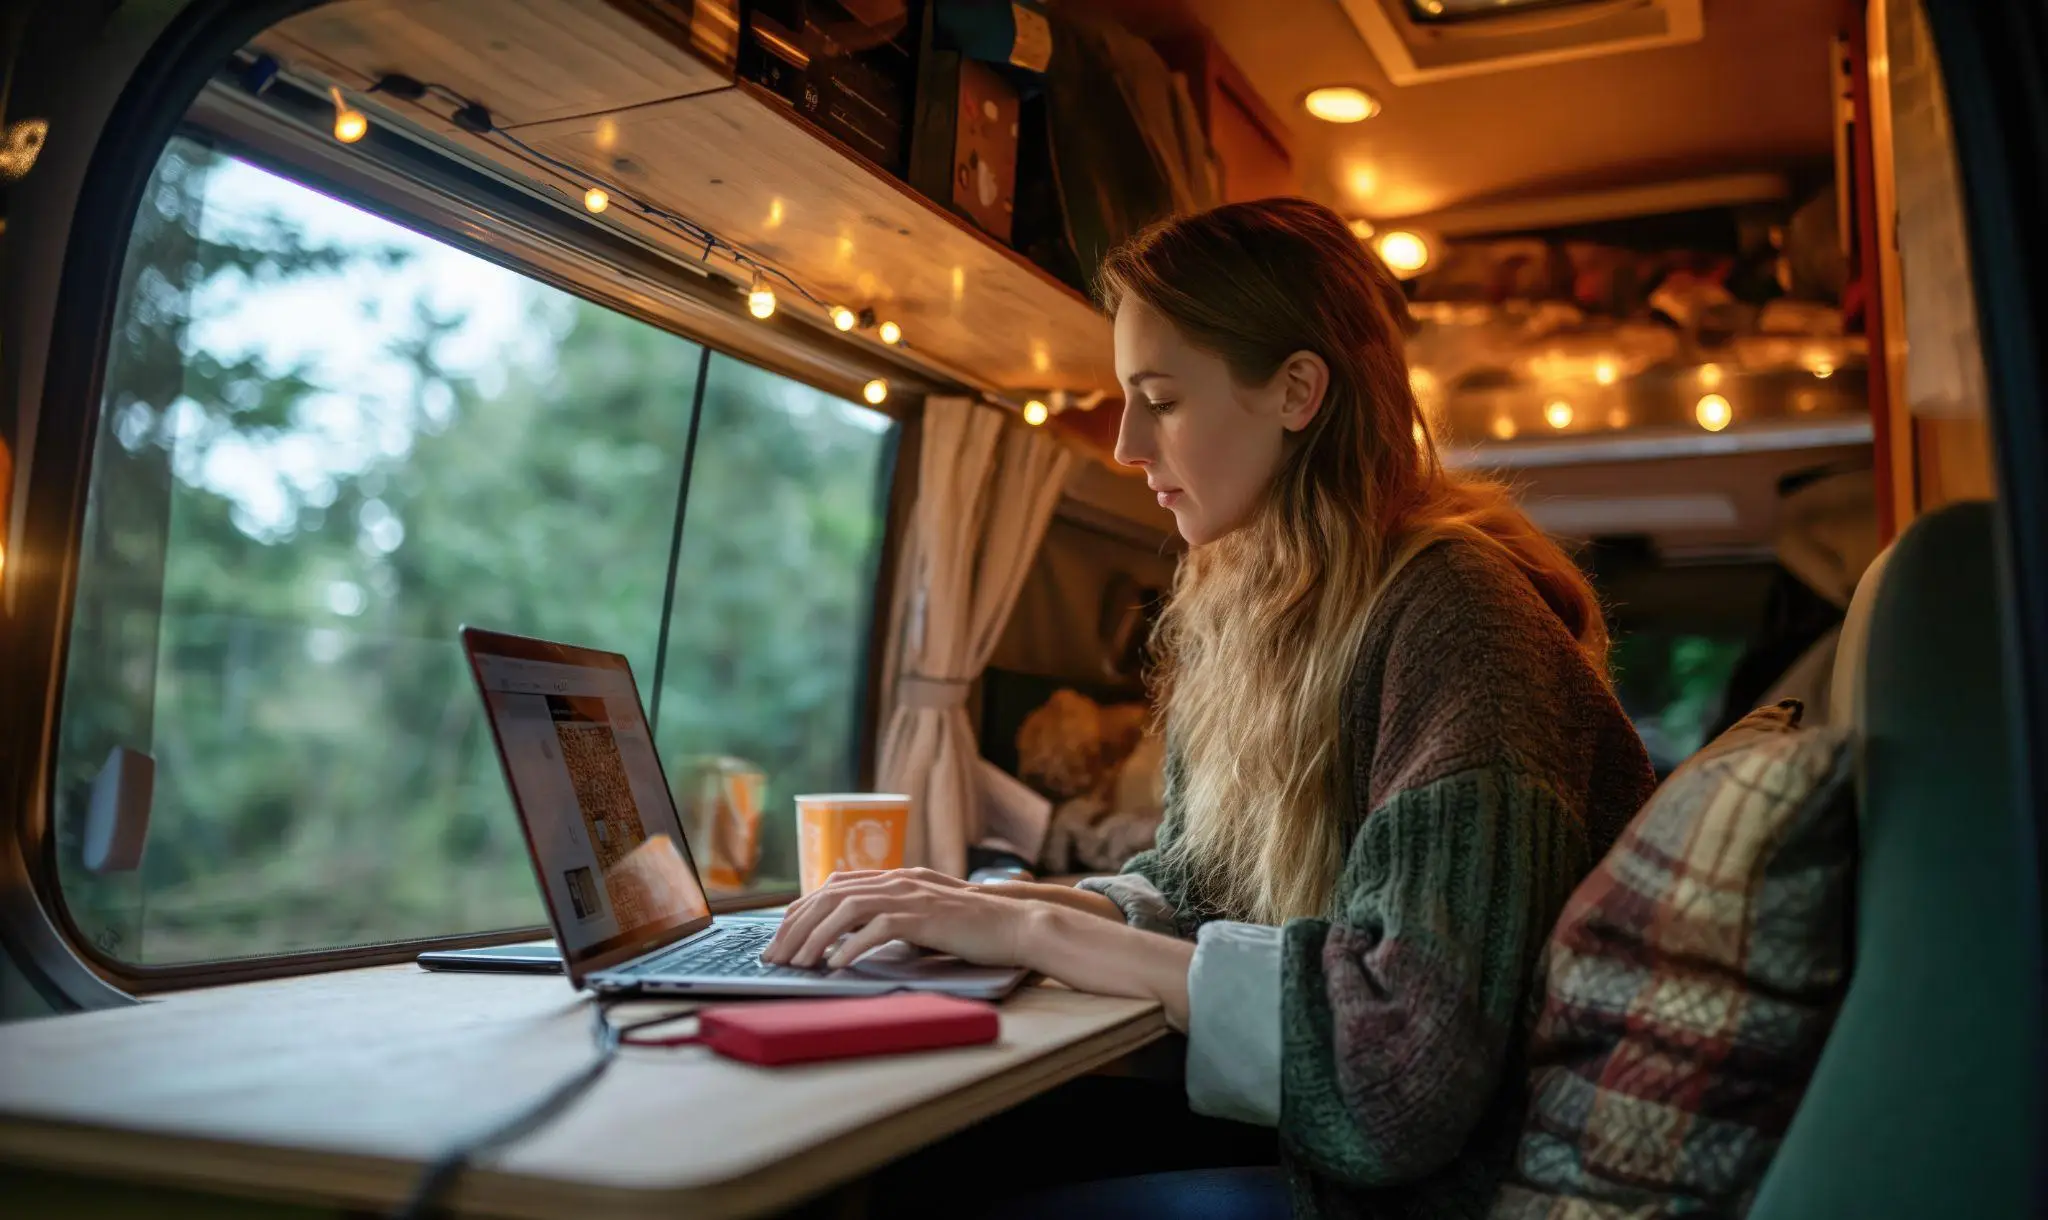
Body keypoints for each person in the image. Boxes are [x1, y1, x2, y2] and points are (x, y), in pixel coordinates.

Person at [764, 198, 1656, 1218]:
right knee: (930, 1163)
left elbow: (1399, 1077)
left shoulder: (1460, 623)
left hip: (1424, 1193)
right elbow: (1196, 885)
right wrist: (991, 906)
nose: (1126, 445)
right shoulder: (1266, 605)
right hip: (1326, 1160)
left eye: (1160, 399)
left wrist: (1040, 940)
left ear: (1295, 390)